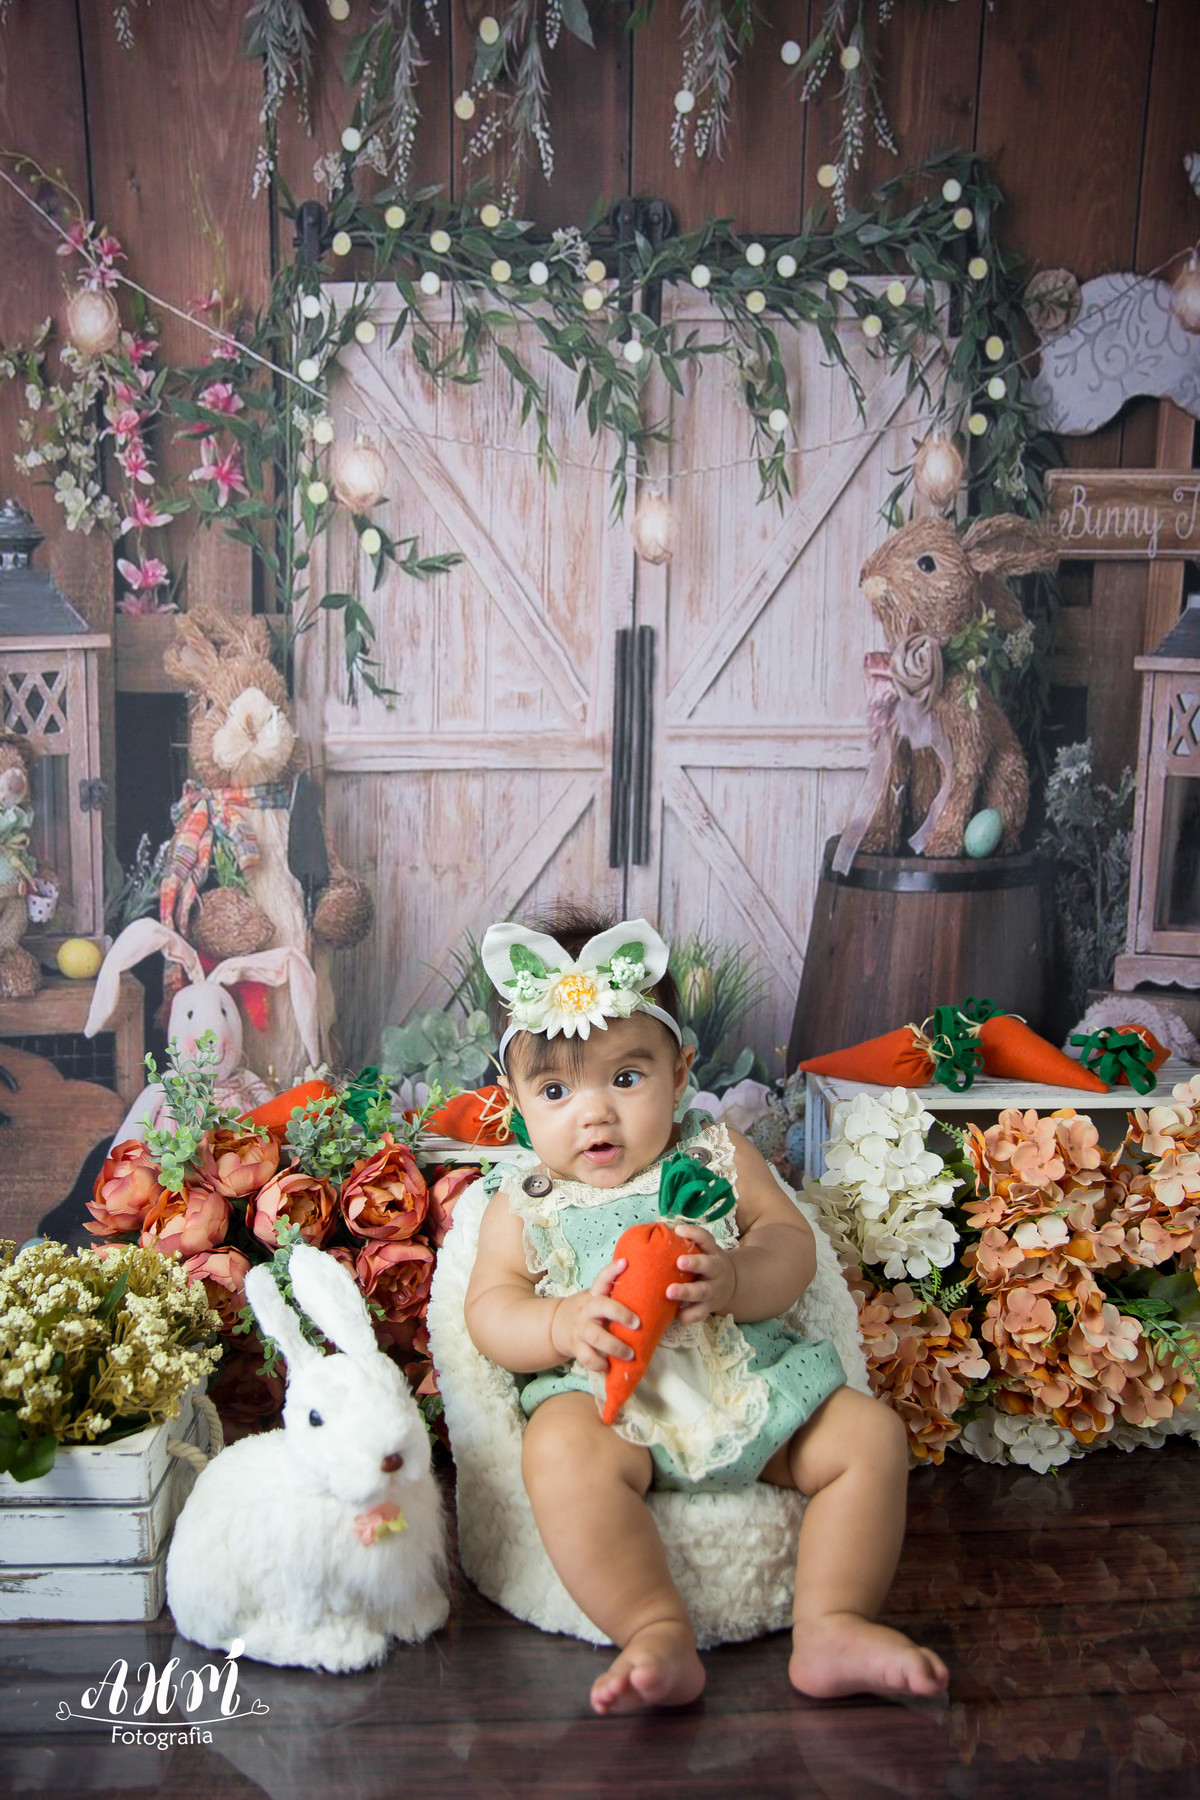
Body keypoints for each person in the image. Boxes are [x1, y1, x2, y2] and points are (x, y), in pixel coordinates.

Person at [464, 909, 949, 1716]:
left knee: (870, 1437)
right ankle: (652, 1626)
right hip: (607, 1410)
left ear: (680, 1072)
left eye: (626, 1079)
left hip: (751, 1386)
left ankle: (833, 1623)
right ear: (512, 1099)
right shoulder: (524, 1202)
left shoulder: (717, 1153)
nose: (594, 1113)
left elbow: (791, 1245)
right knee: (556, 1453)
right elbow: (488, 1310)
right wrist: (558, 1324)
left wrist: (732, 1278)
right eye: (555, 1091)